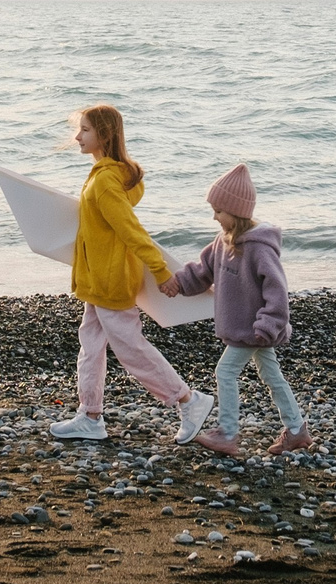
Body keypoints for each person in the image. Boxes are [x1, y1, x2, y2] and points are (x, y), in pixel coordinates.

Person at [50, 104, 215, 445]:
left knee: (131, 349)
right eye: (79, 129)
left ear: (104, 135)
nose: (77, 136)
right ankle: (90, 416)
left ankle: (188, 400)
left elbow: (131, 231)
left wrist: (160, 271)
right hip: (97, 279)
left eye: (85, 130)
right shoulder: (105, 174)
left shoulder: (107, 181)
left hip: (110, 280)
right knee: (91, 346)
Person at [160, 163, 312, 456]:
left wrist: (267, 325)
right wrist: (177, 283)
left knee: (225, 372)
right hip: (248, 331)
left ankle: (227, 433)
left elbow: (277, 290)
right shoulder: (221, 243)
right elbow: (202, 272)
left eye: (219, 210)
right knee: (272, 376)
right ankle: (296, 430)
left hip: (254, 329)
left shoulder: (258, 247)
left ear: (237, 211)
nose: (214, 216)